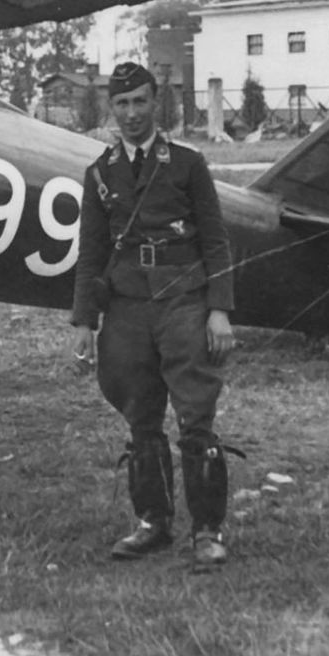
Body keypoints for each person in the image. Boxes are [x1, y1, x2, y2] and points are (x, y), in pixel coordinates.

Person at [69, 62, 238, 568]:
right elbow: (91, 251)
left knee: (195, 416)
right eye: (121, 104)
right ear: (110, 108)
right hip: (126, 308)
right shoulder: (99, 174)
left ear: (155, 103)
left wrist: (220, 311)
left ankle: (207, 531)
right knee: (141, 417)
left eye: (141, 102)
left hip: (183, 301)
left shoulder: (187, 164)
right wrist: (84, 321)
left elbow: (215, 239)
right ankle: (153, 522)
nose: (132, 114)